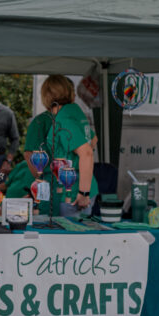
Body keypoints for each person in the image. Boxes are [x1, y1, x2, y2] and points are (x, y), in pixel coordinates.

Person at [41, 74, 98, 215]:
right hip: (82, 186)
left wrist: (83, 193)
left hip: (75, 193)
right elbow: (93, 139)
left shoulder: (63, 120)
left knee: (72, 235)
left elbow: (86, 152)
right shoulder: (74, 111)